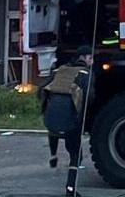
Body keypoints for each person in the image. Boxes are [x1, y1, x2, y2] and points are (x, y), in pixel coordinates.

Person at [41, 46, 93, 195]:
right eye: (91, 58)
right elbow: (90, 97)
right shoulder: (85, 74)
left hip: (50, 119)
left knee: (55, 130)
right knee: (76, 154)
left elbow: (42, 90)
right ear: (84, 58)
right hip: (69, 121)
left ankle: (53, 155)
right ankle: (70, 190)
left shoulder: (59, 71)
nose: (92, 61)